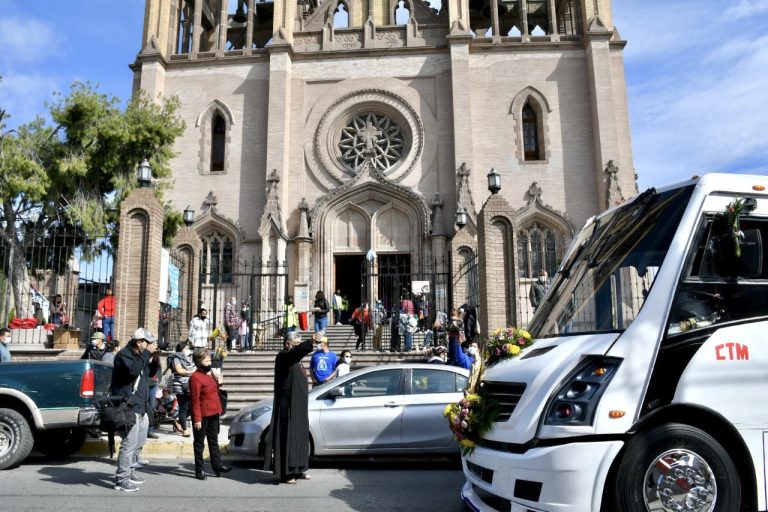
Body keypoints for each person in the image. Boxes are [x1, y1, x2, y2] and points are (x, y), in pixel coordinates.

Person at [111, 327, 158, 492]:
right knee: (129, 443)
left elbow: (150, 374)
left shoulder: (141, 356)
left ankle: (130, 472)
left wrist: (154, 358)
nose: (151, 345)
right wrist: (146, 355)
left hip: (141, 406)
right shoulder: (124, 355)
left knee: (139, 442)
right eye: (148, 342)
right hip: (128, 406)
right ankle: (121, 479)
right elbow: (132, 371)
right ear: (139, 342)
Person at [264, 331, 313, 484]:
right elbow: (295, 354)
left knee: (300, 437)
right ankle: (287, 473)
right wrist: (309, 343)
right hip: (288, 405)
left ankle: (298, 469)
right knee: (289, 438)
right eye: (296, 344)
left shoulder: (296, 358)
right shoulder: (283, 356)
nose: (298, 347)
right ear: (287, 343)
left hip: (299, 406)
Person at [189, 350, 231, 479]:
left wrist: (219, 382)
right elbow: (194, 400)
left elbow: (213, 390)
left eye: (209, 360)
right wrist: (197, 419)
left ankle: (217, 465)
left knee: (213, 441)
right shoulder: (195, 378)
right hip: (202, 415)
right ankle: (199, 469)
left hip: (213, 412)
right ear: (198, 362)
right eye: (206, 361)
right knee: (199, 443)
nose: (209, 363)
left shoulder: (209, 374)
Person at [168, 341, 197, 437]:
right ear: (181, 349)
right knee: (184, 408)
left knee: (192, 407)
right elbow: (180, 371)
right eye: (186, 348)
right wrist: (191, 372)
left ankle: (178, 422)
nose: (188, 350)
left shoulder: (189, 358)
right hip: (181, 386)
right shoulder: (177, 358)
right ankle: (184, 430)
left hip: (190, 385)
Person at [146, 350, 162, 439]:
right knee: (144, 407)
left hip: (153, 384)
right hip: (144, 384)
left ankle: (150, 430)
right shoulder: (144, 355)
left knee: (151, 408)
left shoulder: (156, 356)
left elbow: (158, 369)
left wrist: (158, 379)